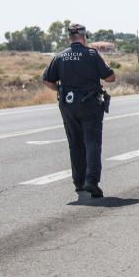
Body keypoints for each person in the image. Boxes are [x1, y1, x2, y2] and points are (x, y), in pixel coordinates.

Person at [42, 23, 115, 198]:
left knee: (75, 143)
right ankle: (91, 181)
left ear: (70, 38)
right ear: (84, 37)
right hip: (90, 105)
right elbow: (110, 77)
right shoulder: (91, 54)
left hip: (68, 105)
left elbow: (47, 80)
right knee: (92, 143)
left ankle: (79, 182)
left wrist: (61, 90)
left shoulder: (60, 56)